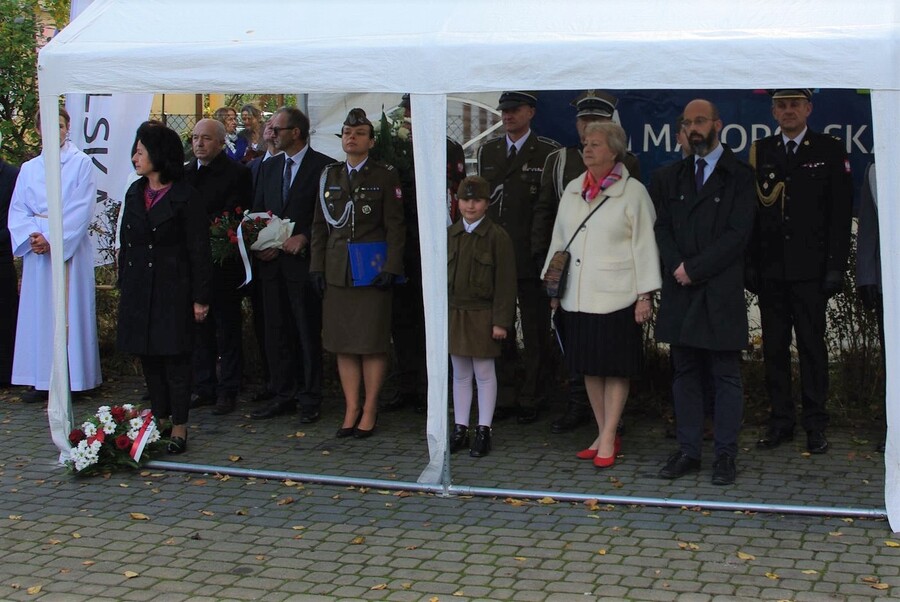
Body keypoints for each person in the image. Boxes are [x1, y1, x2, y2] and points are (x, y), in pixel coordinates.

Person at [541, 121, 661, 468]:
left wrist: (645, 295)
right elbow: (559, 240)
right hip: (577, 295)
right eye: (585, 144)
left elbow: (645, 245)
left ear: (614, 151)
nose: (587, 149)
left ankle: (609, 435)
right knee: (590, 368)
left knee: (615, 368)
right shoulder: (573, 189)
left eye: (595, 144)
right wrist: (553, 287)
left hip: (617, 295)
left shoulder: (633, 192)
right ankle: (602, 430)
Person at [652, 99, 757, 485]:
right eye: (687, 122)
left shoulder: (740, 175)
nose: (693, 128)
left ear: (718, 124)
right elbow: (662, 228)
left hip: (718, 289)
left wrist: (694, 269)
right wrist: (677, 266)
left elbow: (738, 234)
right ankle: (689, 451)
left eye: (700, 121)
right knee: (685, 372)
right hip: (681, 288)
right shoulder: (670, 177)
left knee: (725, 374)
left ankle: (725, 455)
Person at [748, 89, 853, 454]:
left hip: (811, 271)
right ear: (773, 111)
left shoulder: (828, 149)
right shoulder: (761, 151)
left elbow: (840, 214)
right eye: (782, 105)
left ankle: (815, 423)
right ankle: (781, 421)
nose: (788, 110)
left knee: (812, 348)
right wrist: (750, 265)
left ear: (808, 109)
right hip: (771, 271)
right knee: (774, 350)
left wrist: (835, 266)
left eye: (795, 104)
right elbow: (752, 215)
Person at [532, 90, 642, 434]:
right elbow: (545, 213)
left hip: (608, 275)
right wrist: (545, 265)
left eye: (597, 120)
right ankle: (577, 405)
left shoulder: (628, 163)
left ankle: (611, 419)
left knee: (606, 350)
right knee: (576, 345)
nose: (587, 126)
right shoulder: (559, 159)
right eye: (583, 119)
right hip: (569, 271)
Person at [117, 121, 212, 454]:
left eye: (140, 152)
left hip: (173, 290)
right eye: (135, 151)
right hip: (140, 289)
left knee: (175, 359)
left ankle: (180, 425)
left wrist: (200, 297)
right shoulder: (135, 192)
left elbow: (199, 250)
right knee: (150, 358)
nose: (135, 158)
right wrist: (124, 283)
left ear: (159, 154)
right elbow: (126, 242)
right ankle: (159, 418)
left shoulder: (185, 196)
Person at [310, 108, 406, 439]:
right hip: (338, 271)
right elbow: (319, 226)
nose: (352, 138)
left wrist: (391, 267)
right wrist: (317, 266)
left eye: (360, 133)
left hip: (371, 270)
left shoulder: (384, 175)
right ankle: (351, 407)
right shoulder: (329, 175)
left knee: (371, 342)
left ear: (371, 141)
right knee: (343, 343)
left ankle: (370, 407)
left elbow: (395, 226)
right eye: (348, 133)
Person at [8, 107, 102, 401]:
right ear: (38, 130)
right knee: (39, 313)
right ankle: (41, 378)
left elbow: (81, 208)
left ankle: (74, 379)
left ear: (67, 128)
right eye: (49, 125)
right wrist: (33, 237)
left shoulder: (81, 163)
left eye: (60, 125)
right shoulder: (29, 168)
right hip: (37, 250)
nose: (55, 130)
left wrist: (52, 239)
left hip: (67, 248)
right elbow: (18, 209)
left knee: (69, 310)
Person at [478, 91, 560, 424]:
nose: (507, 116)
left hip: (531, 255)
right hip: (496, 256)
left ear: (531, 112)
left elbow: (551, 207)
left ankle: (534, 395)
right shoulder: (489, 151)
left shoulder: (548, 151)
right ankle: (506, 395)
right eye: (504, 111)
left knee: (535, 330)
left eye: (514, 110)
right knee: (501, 330)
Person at [382, 93, 467, 413]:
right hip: (402, 244)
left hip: (436, 243)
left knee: (436, 318)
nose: (410, 117)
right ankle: (407, 384)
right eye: (407, 112)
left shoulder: (449, 148)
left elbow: (455, 196)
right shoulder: (391, 146)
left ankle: (434, 387)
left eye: (415, 110)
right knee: (403, 319)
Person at [251, 107, 334, 423]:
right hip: (272, 266)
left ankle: (310, 397)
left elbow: (331, 216)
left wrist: (305, 237)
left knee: (306, 331)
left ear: (295, 132)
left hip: (304, 266)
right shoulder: (269, 168)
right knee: (276, 331)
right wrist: (262, 243)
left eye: (277, 129)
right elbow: (259, 211)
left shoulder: (324, 167)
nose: (271, 134)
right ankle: (283, 393)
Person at [184, 118, 253, 415]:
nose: (199, 143)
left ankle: (228, 388)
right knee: (200, 329)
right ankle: (204, 386)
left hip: (223, 262)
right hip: (193, 262)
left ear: (221, 142)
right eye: (195, 138)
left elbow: (234, 213)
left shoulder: (237, 173)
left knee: (226, 328)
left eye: (206, 138)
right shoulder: (186, 173)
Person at [448, 176, 517, 457]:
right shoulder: (451, 234)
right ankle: (460, 427)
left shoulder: (497, 237)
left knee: (484, 373)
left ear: (487, 203)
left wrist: (500, 321)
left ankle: (484, 429)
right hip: (455, 312)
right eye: (465, 200)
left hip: (483, 314)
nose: (470, 206)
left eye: (476, 200)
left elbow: (505, 283)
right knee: (460, 374)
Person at [855, 160, 885, 452]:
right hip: (890, 283)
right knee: (893, 361)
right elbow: (868, 229)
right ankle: (894, 428)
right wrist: (866, 278)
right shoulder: (877, 170)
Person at [0, 148, 20, 387]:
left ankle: (6, 372)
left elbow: (15, 217)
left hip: (2, 254)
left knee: (5, 315)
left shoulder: (12, 175)